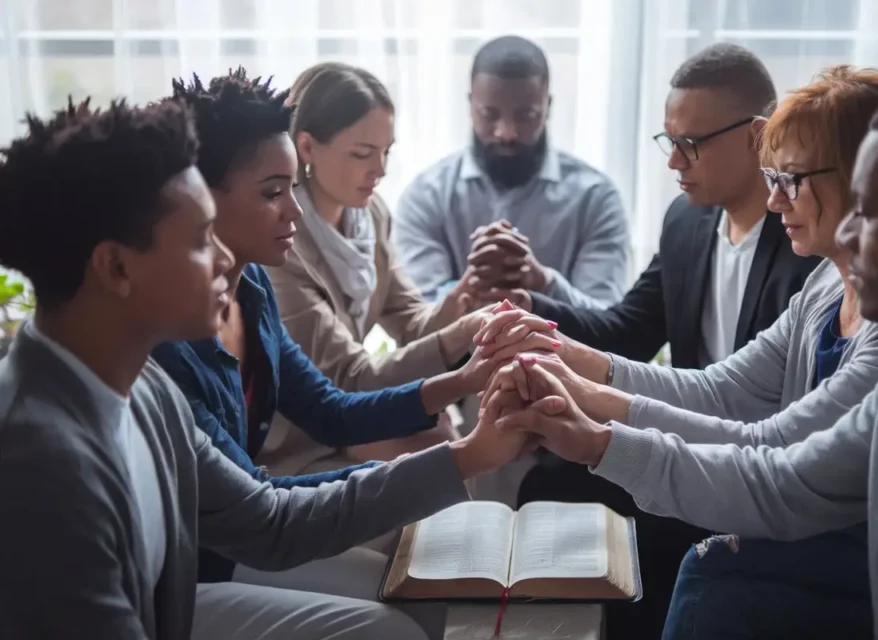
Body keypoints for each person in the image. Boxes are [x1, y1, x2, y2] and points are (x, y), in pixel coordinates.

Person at [482, 81, 878, 639]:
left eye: (870, 210)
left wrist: (593, 426)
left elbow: (770, 454)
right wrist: (588, 427)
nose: (850, 234)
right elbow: (779, 475)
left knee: (712, 575)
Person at [0, 98, 535, 639]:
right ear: (116, 266)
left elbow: (268, 521)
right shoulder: (43, 462)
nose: (226, 260)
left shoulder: (145, 392)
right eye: (199, 241)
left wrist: (470, 452)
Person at [149, 70, 559, 589]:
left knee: (424, 566)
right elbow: (265, 509)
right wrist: (465, 455)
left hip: (250, 522)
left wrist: (467, 377)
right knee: (413, 589)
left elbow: (330, 410)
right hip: (205, 561)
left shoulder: (250, 287)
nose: (293, 208)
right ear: (200, 199)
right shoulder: (172, 339)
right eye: (275, 191)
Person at [511, 43, 822, 637]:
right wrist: (532, 311)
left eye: (692, 144)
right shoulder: (686, 222)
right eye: (668, 141)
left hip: (758, 466)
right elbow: (628, 328)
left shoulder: (807, 251)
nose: (675, 162)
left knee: (644, 537)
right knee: (548, 480)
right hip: (684, 429)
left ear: (758, 137)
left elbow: (770, 413)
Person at [261, 62, 486, 474]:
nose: (380, 170)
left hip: (349, 409)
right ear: (307, 148)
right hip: (300, 431)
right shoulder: (281, 243)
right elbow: (347, 378)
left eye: (386, 152)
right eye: (362, 154)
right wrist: (457, 336)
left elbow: (410, 320)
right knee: (442, 450)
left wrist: (459, 304)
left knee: (443, 435)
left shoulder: (371, 216)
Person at [393, 35, 630, 310]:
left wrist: (543, 281)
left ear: (547, 108)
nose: (506, 133)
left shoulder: (596, 198)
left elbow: (607, 320)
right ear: (471, 105)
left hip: (563, 355)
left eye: (525, 115)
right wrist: (472, 286)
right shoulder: (426, 196)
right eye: (490, 115)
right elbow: (418, 317)